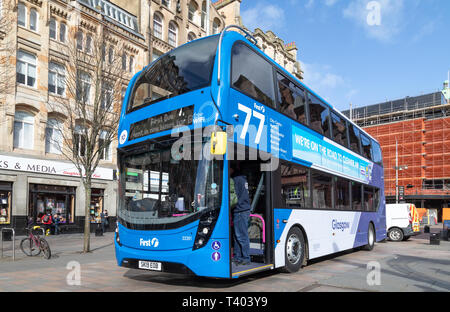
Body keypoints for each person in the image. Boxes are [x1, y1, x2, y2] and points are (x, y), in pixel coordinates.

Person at [230, 163, 251, 266]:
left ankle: (246, 258)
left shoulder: (235, 179)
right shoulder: (242, 178)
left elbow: (233, 197)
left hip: (240, 210)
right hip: (243, 209)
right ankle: (238, 257)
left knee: (241, 235)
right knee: (237, 235)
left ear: (231, 169)